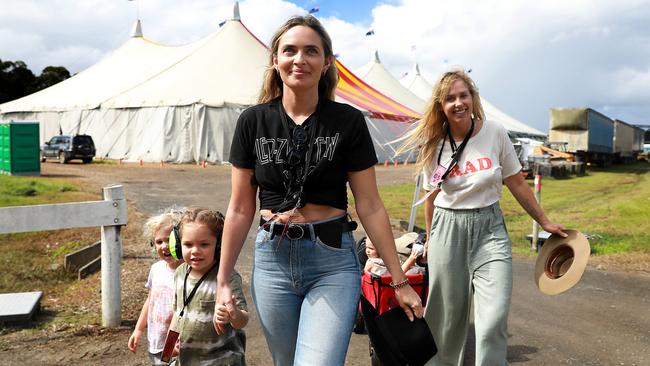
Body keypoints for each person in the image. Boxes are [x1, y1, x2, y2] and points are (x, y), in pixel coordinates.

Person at [217, 14, 424, 366]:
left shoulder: (348, 121)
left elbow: (370, 205)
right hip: (272, 262)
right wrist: (223, 280)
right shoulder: (253, 121)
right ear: (275, 59)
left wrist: (400, 281)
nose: (300, 59)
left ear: (327, 61)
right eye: (290, 50)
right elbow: (239, 208)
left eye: (311, 51)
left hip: (332, 261)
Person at [397, 69, 567, 366]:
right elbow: (431, 198)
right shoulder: (433, 144)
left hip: (490, 231)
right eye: (450, 98)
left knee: (492, 322)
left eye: (464, 95)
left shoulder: (495, 132)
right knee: (447, 322)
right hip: (448, 229)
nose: (458, 103)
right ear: (440, 105)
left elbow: (515, 181)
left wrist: (544, 222)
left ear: (473, 98)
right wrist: (432, 240)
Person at [173, 208, 248, 365]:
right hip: (188, 359)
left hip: (221, 360)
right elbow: (178, 311)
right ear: (179, 246)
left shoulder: (228, 278)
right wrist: (171, 340)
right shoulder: (180, 273)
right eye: (187, 244)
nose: (195, 251)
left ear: (220, 245)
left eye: (204, 244)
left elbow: (242, 321)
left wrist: (233, 314)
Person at [128, 209, 183, 365]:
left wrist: (175, 342)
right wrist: (138, 329)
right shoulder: (156, 269)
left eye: (169, 240)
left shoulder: (188, 273)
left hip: (177, 345)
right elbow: (150, 300)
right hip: (156, 340)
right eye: (159, 242)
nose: (164, 246)